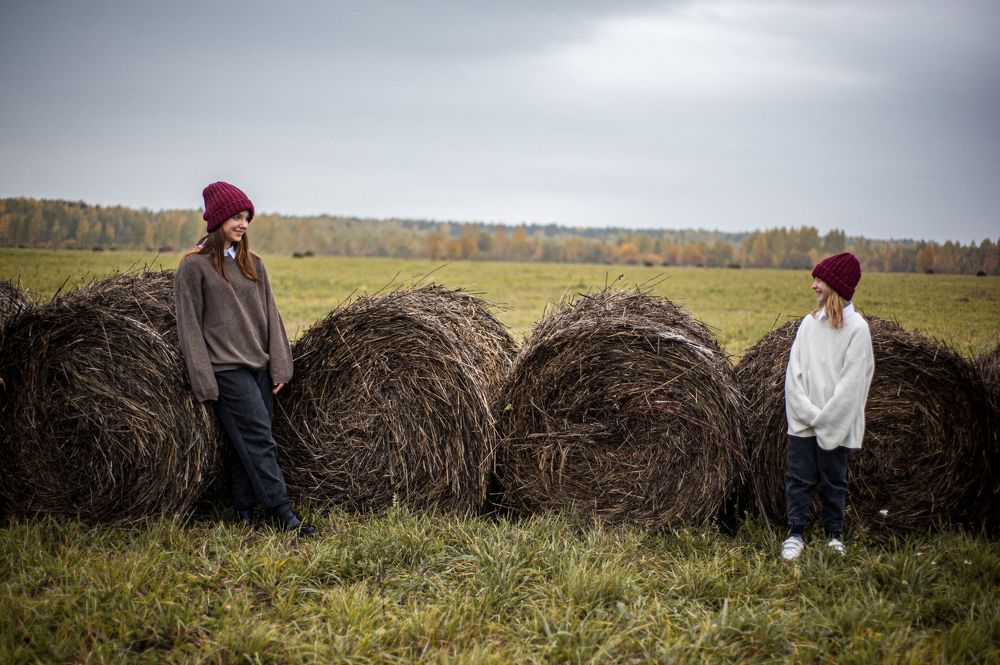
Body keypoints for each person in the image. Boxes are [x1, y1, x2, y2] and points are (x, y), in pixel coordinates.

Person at [174, 181, 316, 536]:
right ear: (218, 219)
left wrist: (281, 365)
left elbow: (272, 315)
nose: (243, 224)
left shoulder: (255, 264)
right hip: (226, 371)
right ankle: (284, 514)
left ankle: (243, 510)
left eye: (246, 217)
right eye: (237, 217)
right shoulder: (194, 268)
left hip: (259, 368)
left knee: (247, 440)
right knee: (259, 440)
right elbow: (189, 327)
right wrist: (204, 381)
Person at [781, 252, 874, 560]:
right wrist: (807, 413)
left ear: (835, 286)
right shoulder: (808, 325)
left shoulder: (857, 330)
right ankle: (795, 534)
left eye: (819, 280)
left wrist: (825, 419)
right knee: (799, 477)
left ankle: (834, 535)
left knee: (835, 480)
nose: (813, 286)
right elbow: (793, 374)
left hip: (837, 422)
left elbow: (852, 386)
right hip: (803, 420)